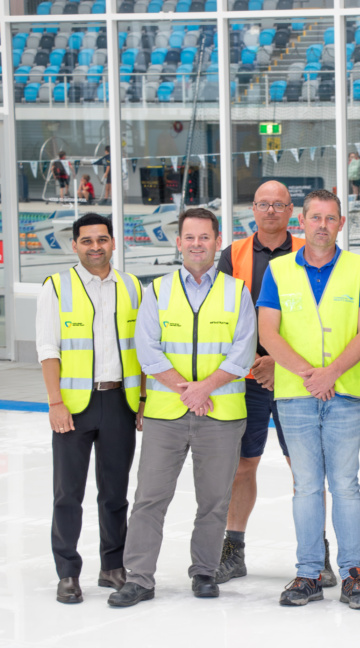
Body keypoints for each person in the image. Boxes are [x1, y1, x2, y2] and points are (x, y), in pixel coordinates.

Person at [108, 207, 255, 607]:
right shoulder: (157, 290)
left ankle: (204, 572)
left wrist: (204, 388)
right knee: (149, 498)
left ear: (217, 241)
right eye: (189, 237)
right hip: (165, 416)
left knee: (214, 501)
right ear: (178, 242)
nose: (196, 244)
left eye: (204, 237)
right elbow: (147, 350)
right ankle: (139, 578)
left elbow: (243, 352)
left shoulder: (237, 292)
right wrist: (186, 390)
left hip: (221, 416)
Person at [213, 181, 341, 588]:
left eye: (279, 204)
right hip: (245, 379)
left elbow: (318, 320)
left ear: (291, 212)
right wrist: (252, 361)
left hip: (296, 379)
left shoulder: (311, 250)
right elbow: (223, 316)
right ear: (252, 209)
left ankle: (318, 554)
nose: (271, 211)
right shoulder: (232, 255)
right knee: (242, 465)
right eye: (263, 204)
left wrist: (278, 363)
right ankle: (233, 550)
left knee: (306, 470)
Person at [258, 189, 360, 610]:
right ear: (302, 221)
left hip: (344, 395)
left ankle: (352, 575)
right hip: (296, 396)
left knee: (346, 486)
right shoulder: (277, 271)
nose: (323, 225)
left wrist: (332, 373)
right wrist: (310, 375)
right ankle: (309, 573)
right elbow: (268, 332)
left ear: (341, 224)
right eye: (316, 217)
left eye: (331, 218)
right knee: (307, 486)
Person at [37, 213, 144, 604]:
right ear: (75, 245)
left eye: (102, 239)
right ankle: (67, 572)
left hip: (119, 402)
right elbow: (48, 349)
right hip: (74, 406)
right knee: (68, 493)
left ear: (113, 242)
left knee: (115, 493)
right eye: (87, 240)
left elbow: (143, 348)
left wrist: (142, 400)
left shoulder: (133, 286)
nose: (95, 247)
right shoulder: (56, 287)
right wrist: (55, 402)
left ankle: (112, 567)